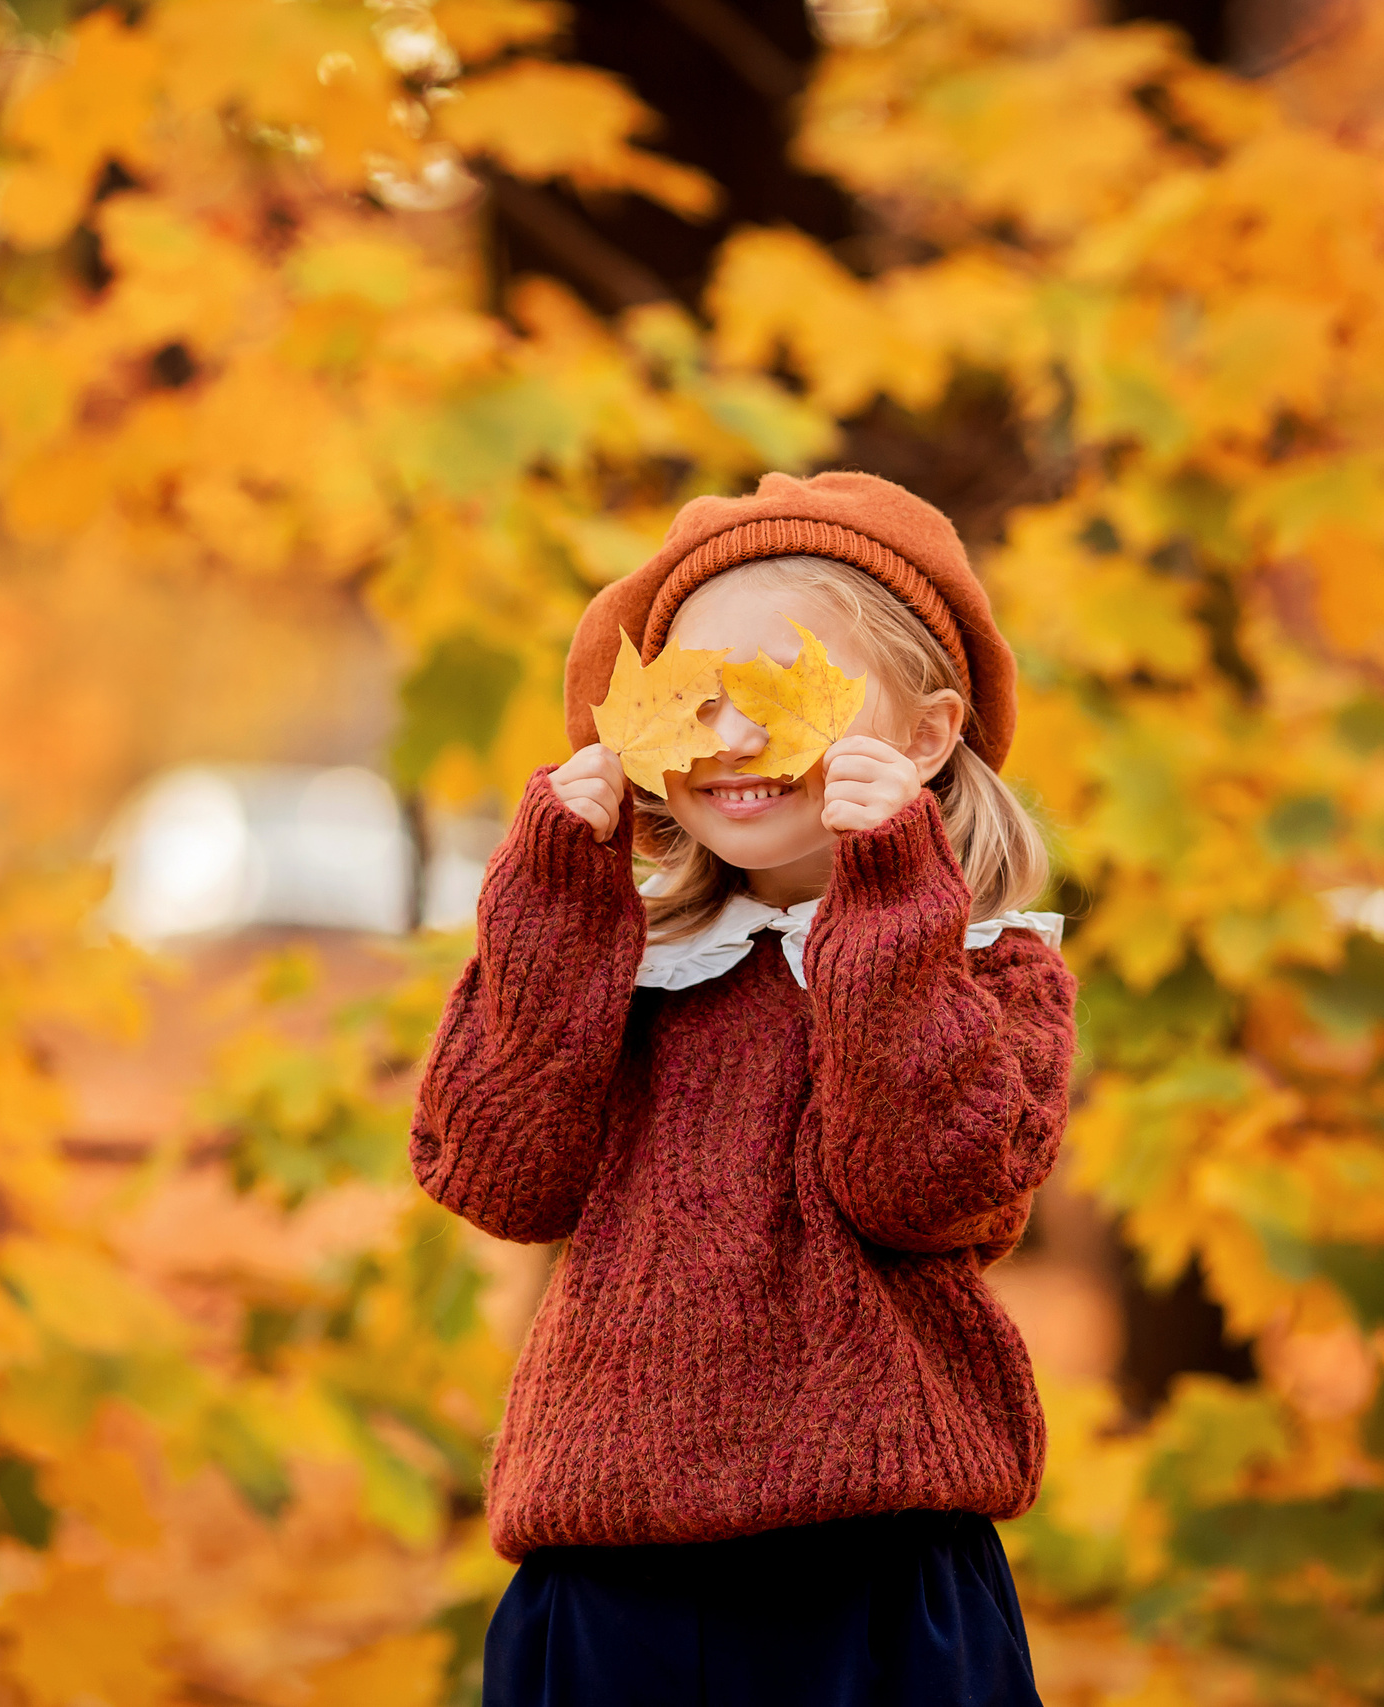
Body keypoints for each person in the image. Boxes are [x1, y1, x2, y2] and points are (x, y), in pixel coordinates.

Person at [412, 470, 1076, 1707]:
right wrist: (557, 902)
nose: (728, 739)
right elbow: (499, 1177)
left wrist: (888, 915)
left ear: (927, 737)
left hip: (872, 1582)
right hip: (610, 1577)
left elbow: (922, 1193)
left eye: (785, 693)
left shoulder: (990, 970)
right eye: (689, 701)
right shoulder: (631, 962)